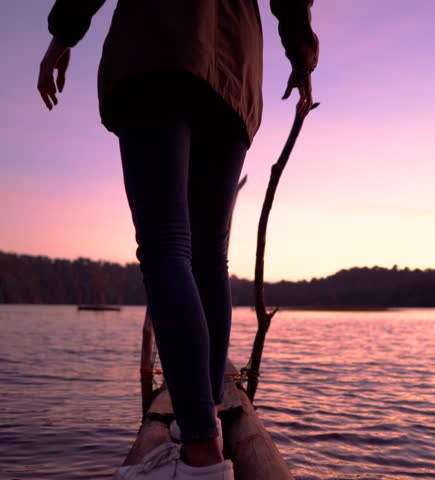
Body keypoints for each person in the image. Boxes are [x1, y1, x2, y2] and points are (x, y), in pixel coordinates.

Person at [38, 1, 318, 478]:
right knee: (209, 258)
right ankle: (204, 419)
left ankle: (201, 452)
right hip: (234, 65)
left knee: (167, 246)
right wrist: (300, 57)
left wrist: (62, 37)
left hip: (158, 42)